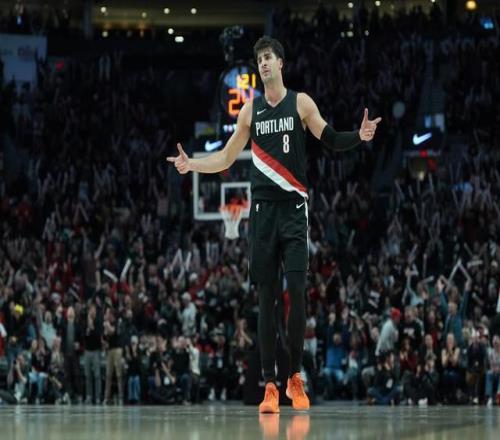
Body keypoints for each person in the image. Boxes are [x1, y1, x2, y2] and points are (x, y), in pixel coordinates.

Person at [167, 35, 381, 413]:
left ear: (281, 63)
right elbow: (226, 158)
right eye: (260, 59)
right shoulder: (250, 112)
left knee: (296, 291)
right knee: (265, 299)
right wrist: (192, 164)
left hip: (294, 209)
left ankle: (294, 378)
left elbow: (330, 138)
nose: (264, 63)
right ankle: (269, 385)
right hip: (263, 213)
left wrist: (359, 136)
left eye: (269, 57)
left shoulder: (301, 103)